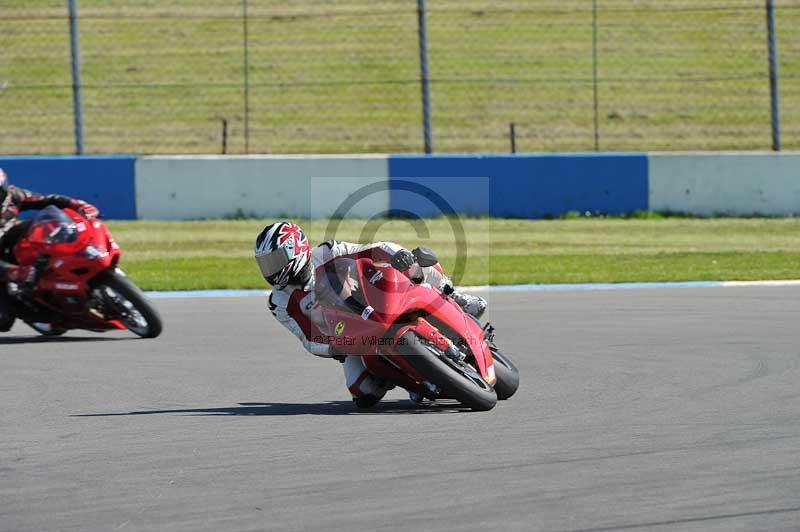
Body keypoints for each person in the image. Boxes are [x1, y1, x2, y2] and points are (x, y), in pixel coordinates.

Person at [254, 221, 487, 408]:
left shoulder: (327, 251)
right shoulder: (279, 302)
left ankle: (457, 297)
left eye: (275, 260)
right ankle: (415, 383)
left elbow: (373, 249)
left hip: (373, 298)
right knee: (364, 393)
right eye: (265, 263)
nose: (271, 269)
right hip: (349, 335)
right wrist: (332, 348)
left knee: (417, 266)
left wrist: (399, 256)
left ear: (296, 250)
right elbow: (307, 338)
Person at [0, 168, 100, 332]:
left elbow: (48, 200)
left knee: (38, 227)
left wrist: (77, 204)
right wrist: (13, 272)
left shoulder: (13, 195)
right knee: (3, 321)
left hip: (10, 243)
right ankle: (33, 312)